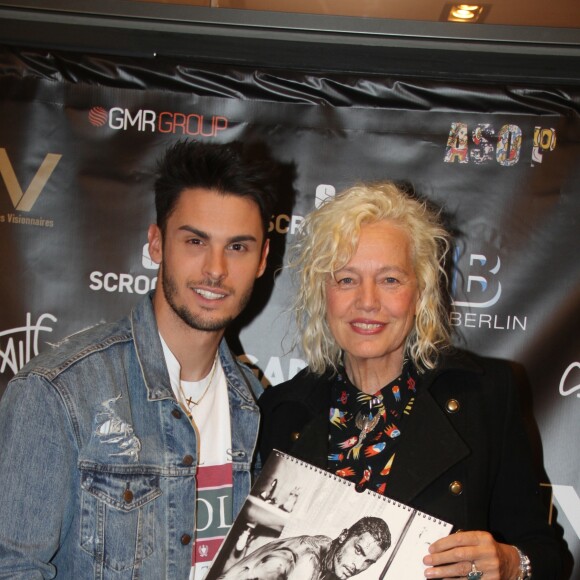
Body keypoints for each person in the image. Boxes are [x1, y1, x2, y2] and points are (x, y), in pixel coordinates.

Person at [0, 140, 278, 579]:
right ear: (156, 244)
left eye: (238, 247)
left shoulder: (259, 405)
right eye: (195, 241)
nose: (216, 269)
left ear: (262, 259)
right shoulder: (60, 393)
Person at [259, 182, 560, 580]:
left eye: (390, 280)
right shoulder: (281, 410)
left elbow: (549, 554)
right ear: (322, 293)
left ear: (420, 293)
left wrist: (510, 564)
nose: (367, 301)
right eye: (346, 279)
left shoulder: (484, 397)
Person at [217, 516, 390, 580]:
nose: (358, 566)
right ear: (344, 536)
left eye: (368, 562)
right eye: (358, 550)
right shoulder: (308, 561)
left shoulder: (327, 547)